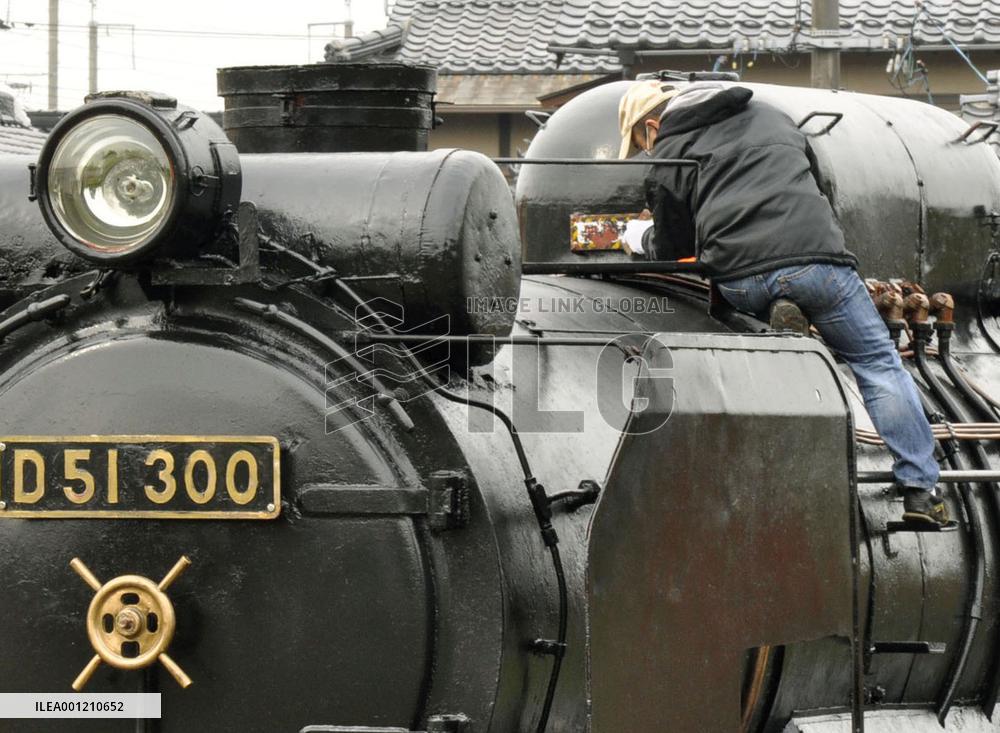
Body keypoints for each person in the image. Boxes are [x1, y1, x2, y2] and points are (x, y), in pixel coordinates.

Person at [618, 81, 948, 526]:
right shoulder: (772, 114)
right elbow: (819, 186)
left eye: (641, 144)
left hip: (741, 277)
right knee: (877, 362)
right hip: (819, 266)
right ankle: (920, 491)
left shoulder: (672, 149)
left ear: (652, 126)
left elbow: (671, 246)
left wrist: (636, 237)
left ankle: (773, 338)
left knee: (730, 322)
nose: (648, 152)